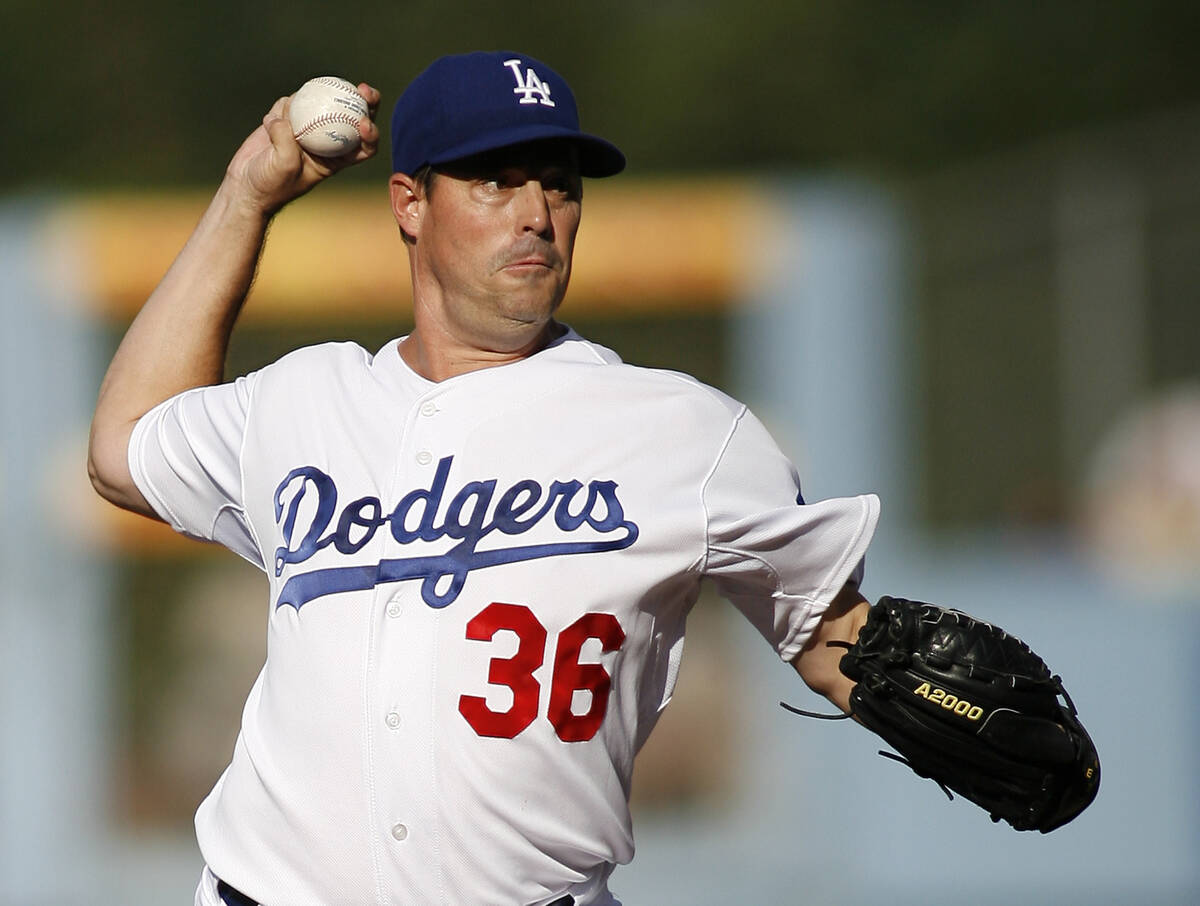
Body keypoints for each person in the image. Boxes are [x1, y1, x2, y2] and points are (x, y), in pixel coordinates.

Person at [88, 51, 879, 906]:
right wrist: (247, 196)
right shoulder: (303, 400)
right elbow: (122, 445)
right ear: (411, 204)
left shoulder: (685, 432)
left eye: (560, 184)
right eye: (497, 181)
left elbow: (835, 639)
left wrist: (977, 719)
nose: (538, 214)